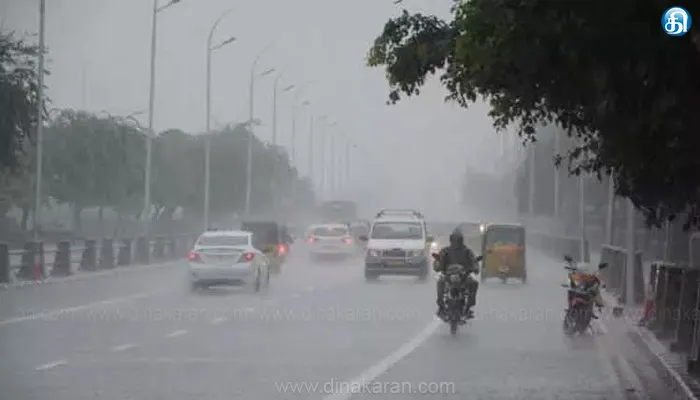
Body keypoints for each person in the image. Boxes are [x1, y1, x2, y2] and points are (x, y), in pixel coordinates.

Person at [435, 228, 479, 318]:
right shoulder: (445, 251)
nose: (456, 241)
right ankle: (441, 306)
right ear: (451, 239)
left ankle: (468, 306)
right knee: (440, 282)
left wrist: (475, 268)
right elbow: (437, 261)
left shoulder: (467, 251)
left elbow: (474, 261)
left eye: (458, 239)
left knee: (474, 283)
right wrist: (438, 265)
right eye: (454, 239)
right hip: (448, 275)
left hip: (463, 276)